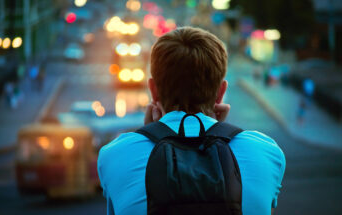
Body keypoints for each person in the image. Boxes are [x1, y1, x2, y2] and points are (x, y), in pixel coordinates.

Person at [97, 26, 286, 215]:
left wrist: (151, 133)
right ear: (221, 92)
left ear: (153, 90)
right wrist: (219, 131)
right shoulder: (267, 152)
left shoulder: (113, 155)